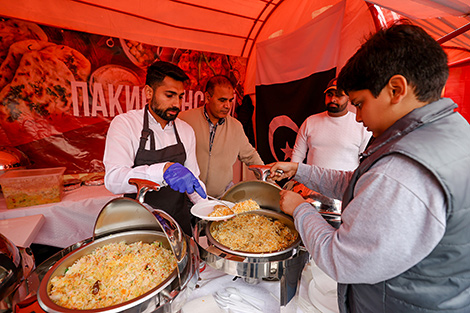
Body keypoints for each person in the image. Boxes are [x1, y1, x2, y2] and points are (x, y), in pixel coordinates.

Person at [269, 22, 470, 313]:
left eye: (360, 103)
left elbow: (340, 259)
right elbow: (358, 182)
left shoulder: (401, 171)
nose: (358, 116)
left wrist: (300, 208)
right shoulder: (452, 129)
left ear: (396, 89)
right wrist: (299, 170)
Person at [103, 61, 206, 235]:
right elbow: (113, 179)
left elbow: (192, 179)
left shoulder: (186, 131)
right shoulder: (125, 124)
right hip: (140, 223)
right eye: (169, 95)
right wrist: (163, 170)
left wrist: (209, 207)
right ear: (149, 92)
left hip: (178, 223)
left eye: (180, 97)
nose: (177, 104)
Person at [179, 75, 264, 198]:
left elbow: (251, 156)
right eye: (222, 100)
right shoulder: (184, 120)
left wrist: (269, 180)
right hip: (186, 198)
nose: (228, 106)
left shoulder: (236, 126)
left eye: (230, 100)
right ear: (208, 97)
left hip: (220, 199)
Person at [291, 77, 371, 171]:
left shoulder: (361, 124)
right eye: (329, 95)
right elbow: (298, 154)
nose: (333, 99)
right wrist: (294, 176)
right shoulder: (310, 121)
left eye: (338, 95)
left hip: (345, 184)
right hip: (311, 184)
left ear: (349, 98)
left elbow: (366, 162)